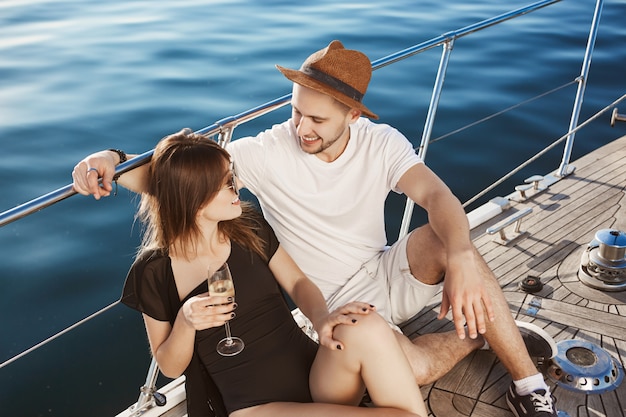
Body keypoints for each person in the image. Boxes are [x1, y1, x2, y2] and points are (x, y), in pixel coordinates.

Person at [73, 41, 558, 417]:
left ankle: (529, 385)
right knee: (420, 369)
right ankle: (484, 331)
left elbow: (437, 198)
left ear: (353, 115)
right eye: (296, 111)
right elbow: (178, 178)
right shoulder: (263, 155)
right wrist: (113, 160)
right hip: (332, 308)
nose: (301, 127)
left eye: (317, 119)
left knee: (456, 243)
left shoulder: (381, 142)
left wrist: (460, 258)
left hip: (380, 276)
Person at [117, 128, 427, 417]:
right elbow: (170, 365)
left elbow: (297, 281)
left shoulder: (247, 227)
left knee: (366, 325)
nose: (235, 189)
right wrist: (186, 322)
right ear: (194, 202)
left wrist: (322, 321)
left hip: (314, 374)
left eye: (232, 178)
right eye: (225, 185)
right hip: (254, 406)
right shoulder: (154, 271)